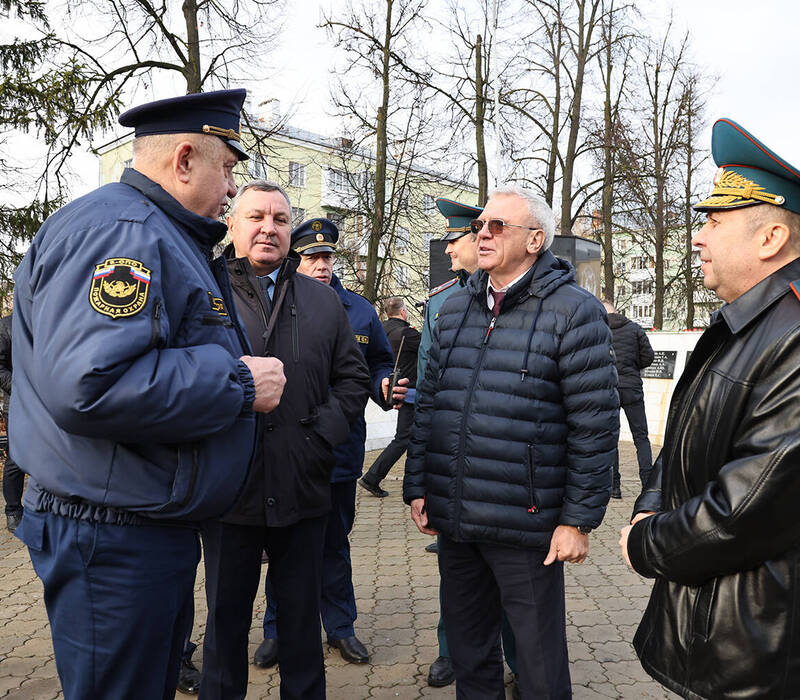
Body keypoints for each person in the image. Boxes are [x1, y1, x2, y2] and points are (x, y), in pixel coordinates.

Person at [10, 89, 287, 700]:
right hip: (113, 535)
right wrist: (239, 382)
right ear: (185, 159)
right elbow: (90, 384)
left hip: (133, 522)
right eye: (229, 168)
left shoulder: (156, 231)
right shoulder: (125, 233)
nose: (232, 187)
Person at [405, 185, 619, 699]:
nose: (483, 232)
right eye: (480, 225)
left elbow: (594, 422)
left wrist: (577, 520)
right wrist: (418, 485)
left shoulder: (574, 311)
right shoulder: (453, 309)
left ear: (535, 239)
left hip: (526, 524)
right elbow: (430, 404)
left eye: (498, 225)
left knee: (539, 663)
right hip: (456, 518)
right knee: (470, 653)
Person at [619, 119, 800, 698]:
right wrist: (650, 504)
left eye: (715, 221)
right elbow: (683, 438)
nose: (698, 237)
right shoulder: (746, 319)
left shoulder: (791, 332)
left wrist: (645, 544)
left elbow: (748, 506)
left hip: (757, 647)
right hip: (717, 624)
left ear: (770, 238)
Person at [200, 186, 371, 700]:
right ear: (232, 223)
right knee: (225, 627)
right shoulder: (203, 290)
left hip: (303, 487)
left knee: (300, 629)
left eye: (279, 218)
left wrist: (321, 438)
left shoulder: (321, 299)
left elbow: (352, 379)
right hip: (230, 490)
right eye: (255, 216)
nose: (267, 227)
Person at [254, 217, 402, 669]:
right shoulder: (268, 302)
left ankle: (340, 628)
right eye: (312, 257)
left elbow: (377, 361)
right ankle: (277, 631)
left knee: (333, 542)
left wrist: (383, 382)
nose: (321, 265)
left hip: (337, 451)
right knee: (282, 544)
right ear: (295, 259)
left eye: (327, 257)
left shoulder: (358, 309)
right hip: (283, 453)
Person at [412, 198, 519, 692]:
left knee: (515, 580)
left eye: (456, 239)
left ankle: (517, 658)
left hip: (508, 471)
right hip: (455, 466)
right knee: (458, 575)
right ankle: (450, 649)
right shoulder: (440, 304)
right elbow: (431, 389)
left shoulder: (533, 299)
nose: (451, 249)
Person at [358, 296, 420, 497]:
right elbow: (431, 347)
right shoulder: (408, 334)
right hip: (409, 391)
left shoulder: (381, 330)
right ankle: (372, 477)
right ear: (403, 312)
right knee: (404, 438)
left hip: (388, 389)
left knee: (408, 437)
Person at [601, 300, 654, 497]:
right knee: (641, 437)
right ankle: (648, 484)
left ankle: (615, 487)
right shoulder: (635, 329)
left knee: (611, 439)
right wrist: (633, 367)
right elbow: (648, 356)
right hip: (632, 388)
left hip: (609, 389)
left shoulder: (599, 331)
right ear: (617, 311)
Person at [0, 313, 22, 532]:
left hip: (50, 404)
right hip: (17, 404)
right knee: (16, 460)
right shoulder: (6, 325)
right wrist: (23, 391)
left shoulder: (49, 319)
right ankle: (13, 511)